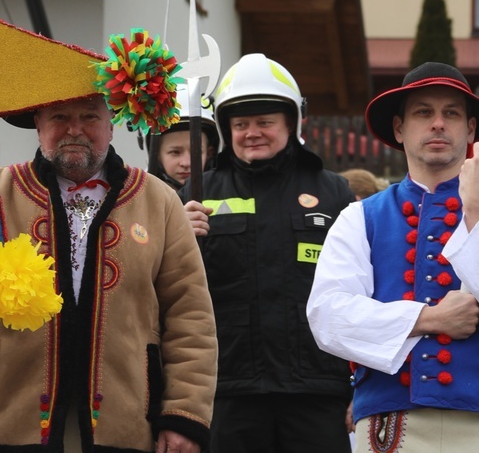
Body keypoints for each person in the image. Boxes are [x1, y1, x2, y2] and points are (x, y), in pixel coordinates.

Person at [0, 94, 218, 453]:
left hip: (124, 421)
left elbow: (190, 318)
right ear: (38, 124)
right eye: (60, 116)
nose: (75, 129)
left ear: (111, 124)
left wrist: (183, 415)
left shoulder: (158, 201)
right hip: (13, 419)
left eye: (89, 117)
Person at [181, 53, 355, 453]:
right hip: (228, 392)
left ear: (292, 123)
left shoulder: (335, 193)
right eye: (240, 124)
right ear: (226, 129)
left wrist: (358, 383)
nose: (252, 133)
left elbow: (360, 293)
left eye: (265, 122)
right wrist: (180, 241)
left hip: (318, 393)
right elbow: (172, 294)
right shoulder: (195, 194)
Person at [307, 62, 479, 452]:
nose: (438, 124)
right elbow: (326, 315)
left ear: (470, 129)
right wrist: (430, 318)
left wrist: (475, 214)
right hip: (391, 425)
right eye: (424, 112)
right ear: (400, 129)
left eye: (451, 113)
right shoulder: (359, 218)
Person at [144, 85, 220, 191]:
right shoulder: (138, 199)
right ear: (157, 156)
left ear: (209, 153)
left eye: (196, 152)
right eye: (175, 152)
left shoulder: (229, 192)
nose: (186, 163)